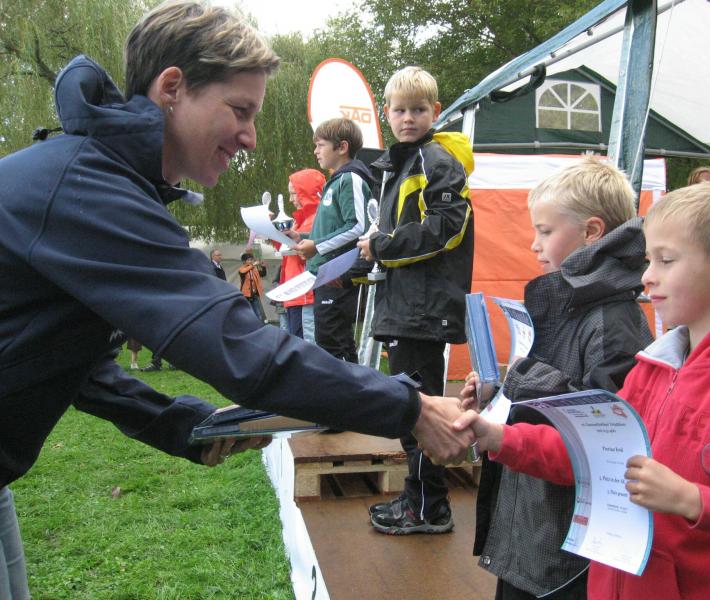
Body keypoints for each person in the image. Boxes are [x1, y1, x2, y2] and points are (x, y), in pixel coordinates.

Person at [0, 1, 472, 593]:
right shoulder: (87, 189)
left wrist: (181, 423)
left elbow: (80, 367)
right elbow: (239, 347)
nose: (250, 136)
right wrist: (413, 408)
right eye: (240, 110)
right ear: (173, 88)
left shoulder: (96, 177)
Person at [455, 181, 710, 600]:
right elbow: (593, 453)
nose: (648, 276)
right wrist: (498, 437)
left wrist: (693, 501)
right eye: (650, 260)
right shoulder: (651, 369)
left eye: (666, 260)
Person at [459, 156, 653, 599]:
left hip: (567, 553)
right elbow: (547, 392)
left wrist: (523, 381)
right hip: (532, 530)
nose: (533, 245)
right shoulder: (562, 302)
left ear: (591, 232)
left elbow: (606, 434)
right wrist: (497, 395)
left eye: (545, 231)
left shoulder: (614, 321)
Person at [357, 66, 474, 535]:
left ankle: (429, 506)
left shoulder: (435, 160)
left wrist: (382, 246)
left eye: (418, 110)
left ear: (435, 112)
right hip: (404, 306)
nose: (408, 118)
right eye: (400, 110)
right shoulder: (401, 164)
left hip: (423, 311)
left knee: (422, 412)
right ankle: (420, 498)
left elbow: (448, 228)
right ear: (386, 113)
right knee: (412, 408)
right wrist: (372, 253)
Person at [291, 118, 371, 362]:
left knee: (332, 342)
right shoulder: (336, 182)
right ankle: (349, 385)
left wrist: (316, 246)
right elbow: (333, 230)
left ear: (342, 147)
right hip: (326, 273)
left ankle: (344, 386)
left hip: (337, 272)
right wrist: (302, 237)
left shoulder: (351, 179)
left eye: (320, 145)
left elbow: (357, 226)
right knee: (333, 340)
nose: (315, 151)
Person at [281, 168, 325, 342]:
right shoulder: (300, 220)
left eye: (294, 193)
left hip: (304, 294)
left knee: (306, 345)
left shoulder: (315, 220)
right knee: (299, 343)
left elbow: (306, 254)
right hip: (296, 293)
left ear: (306, 193)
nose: (290, 199)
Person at [237, 252, 267, 323]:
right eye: (248, 260)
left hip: (254, 294)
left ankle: (258, 325)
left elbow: (263, 274)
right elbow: (243, 272)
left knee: (258, 312)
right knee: (247, 311)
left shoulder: (254, 269)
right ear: (244, 261)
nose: (250, 261)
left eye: (251, 259)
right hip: (246, 294)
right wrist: (253, 265)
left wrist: (263, 267)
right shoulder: (242, 269)